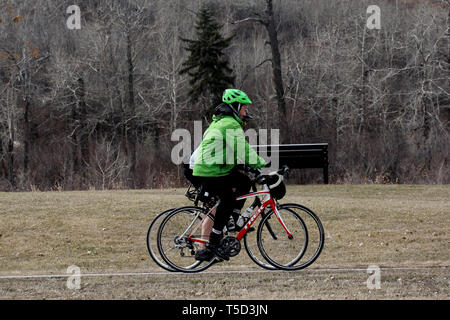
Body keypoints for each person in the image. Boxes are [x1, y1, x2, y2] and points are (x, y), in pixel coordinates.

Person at [192, 89, 266, 261]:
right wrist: (262, 163)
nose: (245, 111)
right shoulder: (229, 124)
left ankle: (232, 218)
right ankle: (214, 241)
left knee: (244, 181)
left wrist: (247, 165)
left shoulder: (223, 122)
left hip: (213, 168)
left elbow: (228, 151)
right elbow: (243, 149)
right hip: (210, 170)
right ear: (235, 106)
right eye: (243, 107)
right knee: (227, 198)